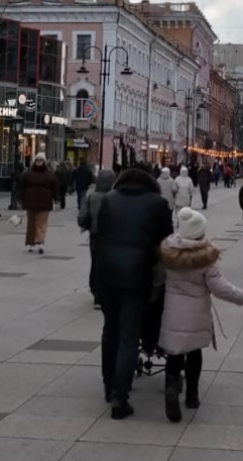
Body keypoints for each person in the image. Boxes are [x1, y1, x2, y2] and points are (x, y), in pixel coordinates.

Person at [89, 168, 172, 420]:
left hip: (106, 275)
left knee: (110, 330)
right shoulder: (158, 203)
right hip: (137, 276)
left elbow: (98, 236)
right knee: (129, 334)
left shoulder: (108, 200)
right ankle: (120, 398)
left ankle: (109, 385)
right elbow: (166, 242)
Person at [159, 207, 243, 423]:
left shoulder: (167, 251)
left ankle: (171, 387)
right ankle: (192, 396)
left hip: (172, 312)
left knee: (174, 354)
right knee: (194, 353)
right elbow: (219, 287)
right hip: (196, 314)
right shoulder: (205, 258)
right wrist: (239, 296)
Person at [78, 168, 117, 309]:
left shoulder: (91, 196)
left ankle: (97, 294)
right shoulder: (116, 196)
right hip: (113, 236)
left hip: (95, 235)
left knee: (96, 263)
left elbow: (82, 216)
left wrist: (85, 224)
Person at [20, 153, 58, 254]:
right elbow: (22, 187)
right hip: (31, 202)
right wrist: (21, 199)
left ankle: (40, 242)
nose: (39, 162)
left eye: (41, 160)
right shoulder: (28, 174)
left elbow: (55, 188)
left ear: (44, 162)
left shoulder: (49, 175)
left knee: (41, 223)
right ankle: (30, 243)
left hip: (44, 202)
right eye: (37, 160)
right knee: (31, 224)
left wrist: (56, 200)